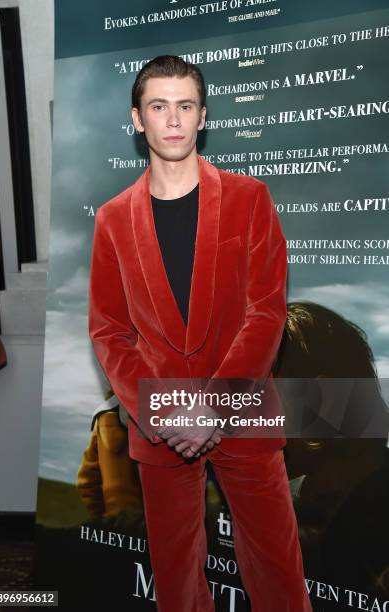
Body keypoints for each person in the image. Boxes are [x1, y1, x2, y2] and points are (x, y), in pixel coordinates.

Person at [88, 55, 312, 612]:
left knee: (279, 574)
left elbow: (266, 313)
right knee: (177, 582)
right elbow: (109, 330)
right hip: (162, 426)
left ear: (202, 116)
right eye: (158, 106)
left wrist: (211, 407)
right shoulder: (113, 219)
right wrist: (169, 413)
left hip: (243, 412)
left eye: (184, 106)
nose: (172, 120)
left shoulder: (249, 198)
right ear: (137, 120)